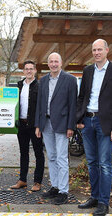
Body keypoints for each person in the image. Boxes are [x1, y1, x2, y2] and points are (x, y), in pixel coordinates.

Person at [76, 39, 112, 216]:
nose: (97, 52)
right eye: (94, 50)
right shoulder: (88, 70)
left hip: (105, 123)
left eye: (100, 49)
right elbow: (82, 96)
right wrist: (79, 119)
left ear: (107, 50)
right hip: (88, 122)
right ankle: (94, 197)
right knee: (91, 162)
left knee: (104, 164)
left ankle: (103, 203)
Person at [35, 52, 77, 205]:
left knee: (61, 158)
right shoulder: (43, 80)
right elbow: (40, 104)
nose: (53, 64)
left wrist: (71, 126)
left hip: (62, 124)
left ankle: (64, 191)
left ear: (61, 63)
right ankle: (55, 186)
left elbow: (73, 104)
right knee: (51, 156)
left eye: (56, 61)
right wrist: (38, 125)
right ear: (48, 64)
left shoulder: (70, 80)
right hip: (46, 124)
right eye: (51, 61)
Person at [10, 60, 45, 191]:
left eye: (31, 68)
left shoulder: (40, 86)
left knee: (38, 153)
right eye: (26, 69)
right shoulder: (19, 86)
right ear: (23, 71)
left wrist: (39, 126)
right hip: (22, 125)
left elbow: (42, 108)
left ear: (35, 70)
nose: (29, 71)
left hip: (34, 126)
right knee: (23, 153)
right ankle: (22, 180)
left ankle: (37, 182)